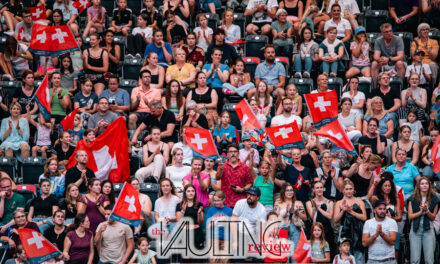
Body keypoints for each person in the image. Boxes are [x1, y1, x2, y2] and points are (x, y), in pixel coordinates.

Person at [334, 179, 367, 264]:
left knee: (359, 254)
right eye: (347, 189)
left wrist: (351, 212)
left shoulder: (359, 202)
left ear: (354, 190)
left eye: (350, 189)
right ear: (343, 191)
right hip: (344, 230)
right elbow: (336, 219)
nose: (349, 191)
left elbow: (364, 217)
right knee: (345, 254)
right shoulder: (339, 202)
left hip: (358, 229)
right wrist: (343, 210)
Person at [407, 177, 438, 264]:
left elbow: (433, 217)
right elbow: (410, 216)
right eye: (422, 183)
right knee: (415, 260)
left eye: (426, 183)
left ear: (429, 185)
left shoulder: (435, 199)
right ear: (418, 186)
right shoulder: (412, 198)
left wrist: (427, 211)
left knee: (429, 260)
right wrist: (421, 211)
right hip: (415, 229)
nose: (424, 185)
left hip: (429, 229)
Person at [371, 23, 405, 88]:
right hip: (384, 64)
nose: (389, 33)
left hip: (395, 63)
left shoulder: (398, 39)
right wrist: (381, 59)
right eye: (386, 32)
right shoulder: (378, 41)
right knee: (374, 64)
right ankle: (375, 88)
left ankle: (401, 88)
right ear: (382, 34)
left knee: (400, 63)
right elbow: (376, 57)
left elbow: (401, 56)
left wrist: (389, 59)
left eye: (390, 31)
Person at [206, 191, 233, 263]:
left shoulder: (229, 210)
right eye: (214, 200)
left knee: (225, 260)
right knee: (213, 260)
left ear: (223, 200)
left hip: (226, 238)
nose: (216, 202)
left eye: (218, 200)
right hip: (213, 237)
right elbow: (208, 226)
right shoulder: (211, 210)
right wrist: (218, 221)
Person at [175, 184, 204, 249]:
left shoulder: (199, 205)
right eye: (188, 191)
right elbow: (179, 221)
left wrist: (199, 213)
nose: (191, 193)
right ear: (185, 193)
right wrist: (183, 210)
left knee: (197, 256)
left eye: (192, 191)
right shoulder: (179, 205)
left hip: (196, 232)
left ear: (195, 193)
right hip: (184, 232)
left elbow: (200, 222)